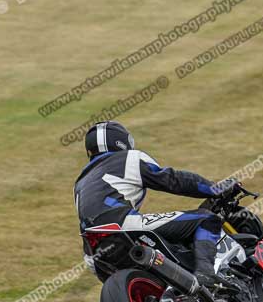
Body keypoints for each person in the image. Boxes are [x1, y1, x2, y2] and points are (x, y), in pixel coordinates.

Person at [74, 120, 239, 287]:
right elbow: (173, 180)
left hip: (92, 253)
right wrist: (217, 189)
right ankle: (207, 276)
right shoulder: (128, 158)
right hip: (122, 226)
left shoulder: (81, 181)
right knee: (206, 219)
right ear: (121, 142)